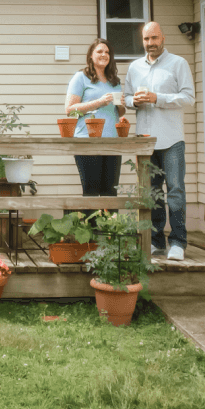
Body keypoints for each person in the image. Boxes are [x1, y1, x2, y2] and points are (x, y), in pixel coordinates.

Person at [124, 22, 195, 261]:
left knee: (175, 192)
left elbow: (188, 97)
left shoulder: (178, 63)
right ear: (142, 41)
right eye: (146, 39)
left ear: (162, 38)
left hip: (172, 139)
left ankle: (177, 242)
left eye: (154, 38)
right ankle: (155, 241)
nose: (150, 43)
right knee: (152, 193)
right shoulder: (134, 68)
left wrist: (157, 98)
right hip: (145, 140)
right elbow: (125, 97)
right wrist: (134, 102)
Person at [65, 38, 126, 199]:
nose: (104, 54)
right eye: (99, 51)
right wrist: (99, 102)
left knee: (110, 193)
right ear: (91, 56)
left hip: (112, 142)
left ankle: (110, 225)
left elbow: (116, 113)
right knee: (91, 192)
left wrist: (121, 106)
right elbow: (70, 111)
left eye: (107, 52)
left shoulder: (115, 81)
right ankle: (90, 225)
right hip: (87, 141)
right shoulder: (80, 77)